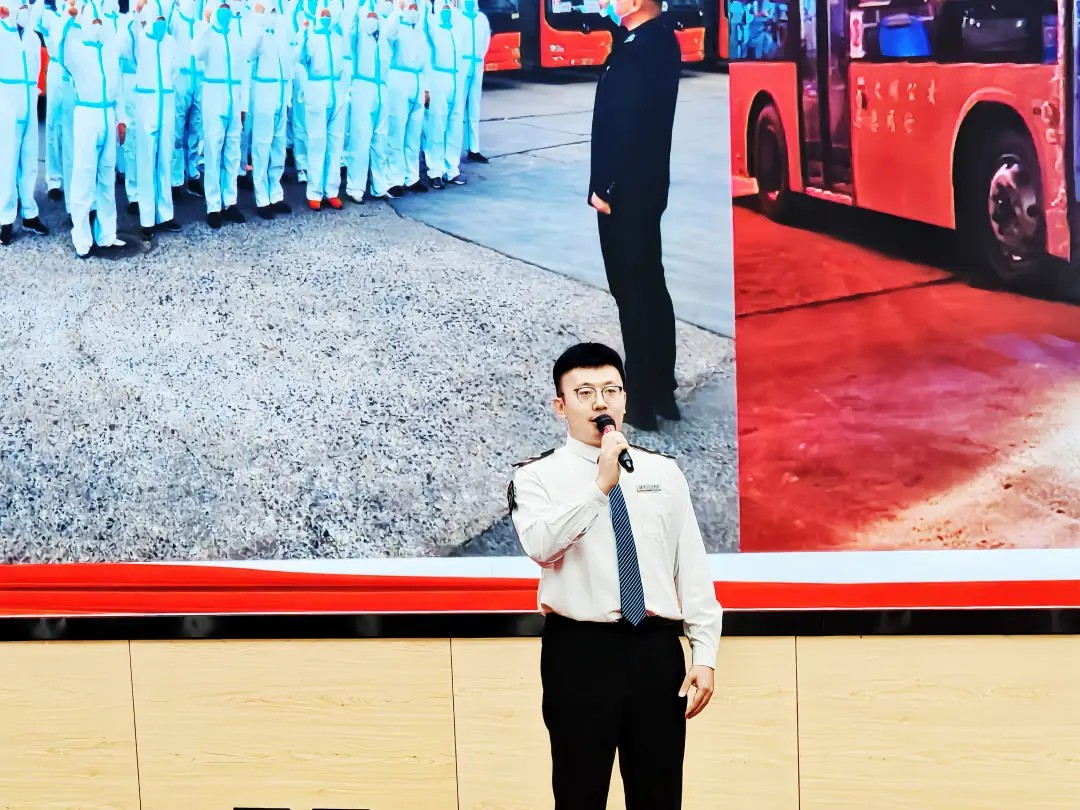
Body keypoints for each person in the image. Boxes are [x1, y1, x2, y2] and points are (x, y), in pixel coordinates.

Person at [509, 342, 721, 810]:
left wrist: (705, 653)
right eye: (584, 393)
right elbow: (541, 547)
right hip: (580, 652)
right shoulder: (536, 477)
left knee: (658, 795)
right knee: (579, 793)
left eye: (610, 390)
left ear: (625, 398)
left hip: (655, 650)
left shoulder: (663, 472)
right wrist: (600, 485)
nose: (599, 403)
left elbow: (691, 568)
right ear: (561, 407)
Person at [589, 0, 681, 432]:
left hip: (623, 192)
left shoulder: (635, 51)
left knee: (632, 291)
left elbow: (623, 127)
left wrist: (605, 187)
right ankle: (662, 388)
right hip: (649, 186)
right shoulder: (661, 41)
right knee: (651, 283)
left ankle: (641, 398)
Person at [57, 0, 129, 258]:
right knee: (84, 177)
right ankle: (81, 237)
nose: (97, 26)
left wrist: (121, 120)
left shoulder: (109, 52)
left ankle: (107, 234)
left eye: (100, 22)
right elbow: (60, 44)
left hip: (108, 115)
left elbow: (118, 89)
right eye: (93, 22)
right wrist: (69, 17)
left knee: (106, 178)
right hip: (87, 115)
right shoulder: (76, 50)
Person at [122, 0, 183, 241]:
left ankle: (166, 214)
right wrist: (135, 14)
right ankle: (147, 219)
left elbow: (175, 70)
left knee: (165, 160)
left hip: (165, 104)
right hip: (146, 106)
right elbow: (124, 45)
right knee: (146, 161)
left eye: (161, 19)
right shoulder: (139, 40)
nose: (159, 23)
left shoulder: (170, 42)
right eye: (155, 19)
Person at [195, 0, 251, 228]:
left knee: (232, 152)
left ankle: (230, 202)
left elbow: (244, 72)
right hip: (214, 97)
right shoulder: (208, 34)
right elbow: (197, 52)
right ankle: (213, 206)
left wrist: (243, 105)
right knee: (213, 151)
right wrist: (205, 23)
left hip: (234, 98)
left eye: (228, 10)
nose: (225, 13)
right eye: (222, 10)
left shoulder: (236, 38)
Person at [0, 0, 50, 246]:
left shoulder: (32, 37)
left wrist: (38, 89)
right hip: (7, 105)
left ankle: (30, 213)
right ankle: (5, 219)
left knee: (29, 162)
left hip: (29, 103)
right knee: (7, 163)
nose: (22, 10)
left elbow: (39, 68)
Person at [248, 0, 295, 217]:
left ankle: (276, 194)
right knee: (262, 146)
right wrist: (259, 21)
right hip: (264, 94)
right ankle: (262, 198)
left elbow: (288, 62)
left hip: (281, 93)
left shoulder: (282, 25)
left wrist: (288, 95)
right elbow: (249, 52)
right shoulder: (255, 25)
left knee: (278, 146)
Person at [299, 0, 348, 208]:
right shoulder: (310, 35)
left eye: (330, 13)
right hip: (317, 91)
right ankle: (314, 192)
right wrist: (302, 35)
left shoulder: (338, 38)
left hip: (337, 90)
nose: (327, 16)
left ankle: (332, 190)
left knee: (335, 142)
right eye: (324, 13)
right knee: (317, 141)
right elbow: (300, 58)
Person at [343, 0, 392, 203]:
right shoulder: (358, 38)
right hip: (363, 87)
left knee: (380, 141)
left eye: (375, 16)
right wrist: (358, 8)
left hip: (382, 89)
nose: (372, 19)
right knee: (360, 140)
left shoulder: (384, 37)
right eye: (369, 16)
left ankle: (379, 185)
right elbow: (350, 26)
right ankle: (355, 187)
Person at [421, 0, 466, 188]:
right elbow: (426, 57)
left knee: (455, 126)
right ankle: (435, 170)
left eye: (449, 6)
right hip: (438, 79)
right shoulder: (433, 28)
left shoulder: (457, 30)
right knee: (437, 126)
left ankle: (452, 168)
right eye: (443, 6)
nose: (446, 9)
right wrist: (427, 86)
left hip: (456, 80)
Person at [385, 0, 429, 195]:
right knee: (396, 132)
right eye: (410, 6)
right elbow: (387, 34)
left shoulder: (419, 31)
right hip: (398, 80)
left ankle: (412, 177)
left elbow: (426, 61)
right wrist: (398, 10)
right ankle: (394, 179)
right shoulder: (395, 24)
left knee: (413, 133)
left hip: (417, 81)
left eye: (415, 7)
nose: (413, 10)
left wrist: (426, 88)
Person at [456, 0, 485, 163]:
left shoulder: (482, 18)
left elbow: (486, 40)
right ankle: (455, 147)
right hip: (462, 65)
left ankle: (474, 148)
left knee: (474, 107)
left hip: (477, 64)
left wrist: (480, 57)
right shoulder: (457, 18)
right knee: (458, 108)